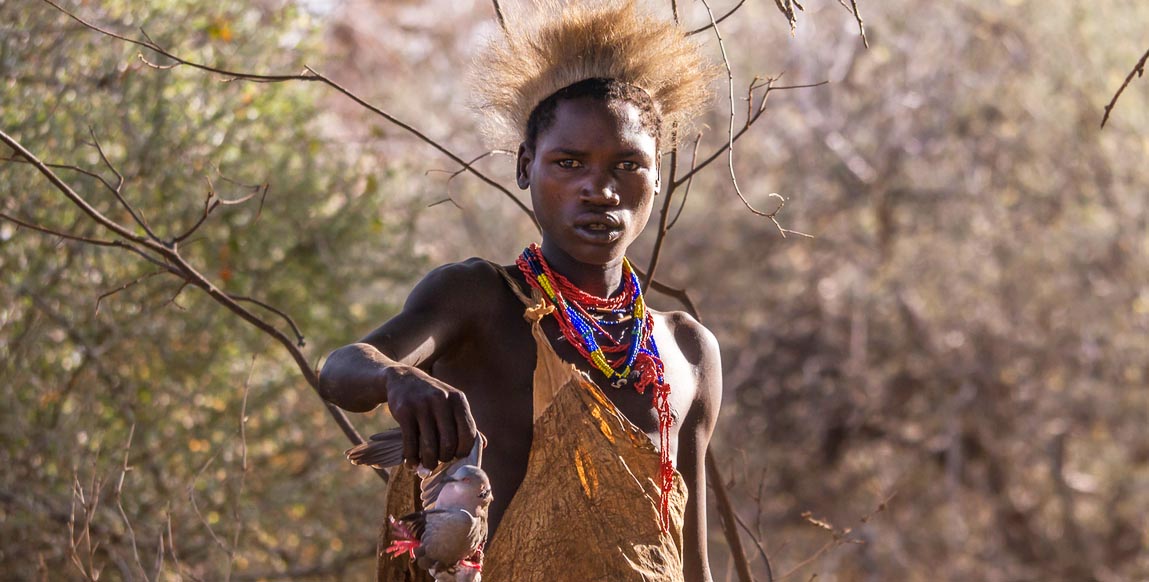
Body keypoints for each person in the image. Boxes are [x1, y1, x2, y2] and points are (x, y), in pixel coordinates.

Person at [320, 2, 720, 580]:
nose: (600, 190)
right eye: (570, 162)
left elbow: (690, 563)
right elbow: (340, 372)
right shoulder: (478, 300)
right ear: (526, 166)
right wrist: (395, 377)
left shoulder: (687, 351)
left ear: (659, 174)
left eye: (627, 164)